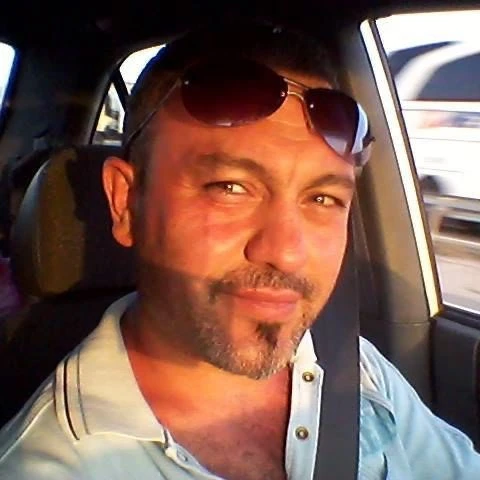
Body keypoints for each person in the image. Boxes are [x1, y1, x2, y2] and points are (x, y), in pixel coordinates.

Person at [0, 22, 479, 480]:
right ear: (125, 203)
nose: (286, 253)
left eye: (322, 199)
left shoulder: (352, 367)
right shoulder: (51, 466)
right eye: (229, 188)